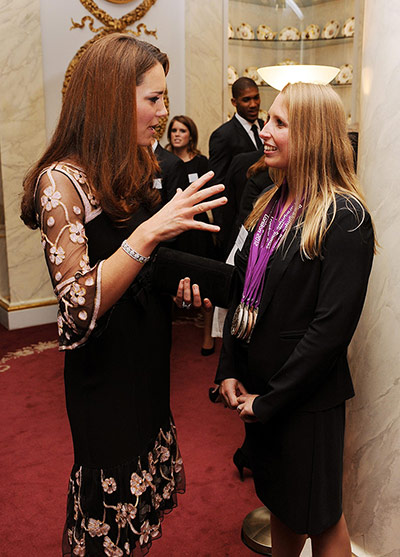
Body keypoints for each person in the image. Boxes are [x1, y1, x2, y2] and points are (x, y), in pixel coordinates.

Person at [20, 34, 226, 556]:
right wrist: (151, 231)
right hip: (103, 378)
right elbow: (79, 302)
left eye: (165, 99)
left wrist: (180, 284)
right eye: (152, 99)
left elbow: (141, 269)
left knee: (141, 517)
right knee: (105, 526)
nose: (163, 112)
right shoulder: (60, 182)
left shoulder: (136, 163)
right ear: (114, 98)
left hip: (148, 361)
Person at [215, 82, 375, 556]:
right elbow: (244, 292)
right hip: (263, 392)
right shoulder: (270, 201)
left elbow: (329, 333)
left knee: (321, 520)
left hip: (304, 403)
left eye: (279, 123)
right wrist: (228, 368)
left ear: (312, 135)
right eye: (268, 120)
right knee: (282, 507)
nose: (265, 130)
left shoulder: (346, 217)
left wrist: (269, 401)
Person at [166, 115, 216, 355]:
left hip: (197, 226)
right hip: (171, 227)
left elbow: (208, 195)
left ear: (190, 135)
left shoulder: (201, 161)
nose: (176, 134)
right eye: (173, 130)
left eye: (182, 130)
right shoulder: (162, 160)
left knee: (204, 277)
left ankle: (207, 334)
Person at [208, 77, 264, 189]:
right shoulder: (222, 135)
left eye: (256, 98)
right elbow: (217, 183)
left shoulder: (266, 127)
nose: (253, 104)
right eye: (246, 100)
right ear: (234, 102)